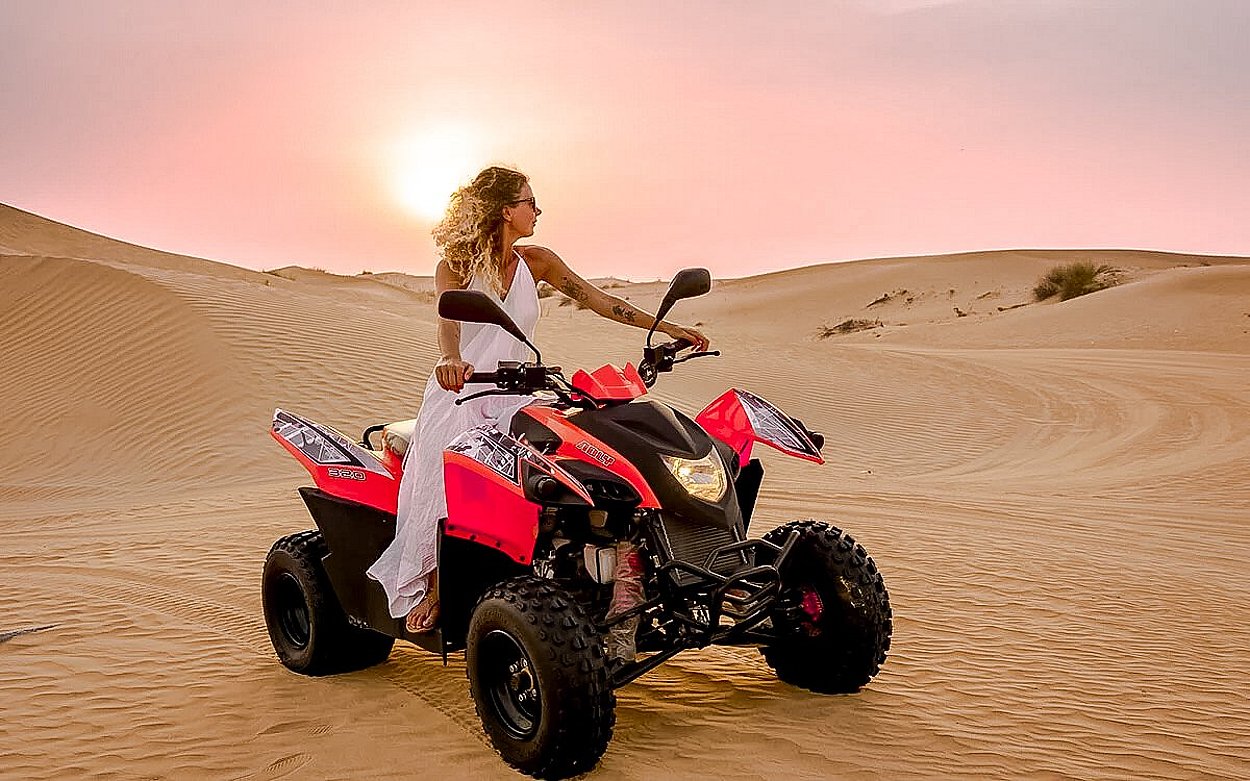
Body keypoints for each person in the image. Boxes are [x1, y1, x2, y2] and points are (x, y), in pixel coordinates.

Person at [367, 166, 709, 633]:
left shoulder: (538, 261)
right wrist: (450, 359)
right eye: (530, 202)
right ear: (505, 210)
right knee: (448, 467)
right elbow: (448, 321)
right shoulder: (456, 264)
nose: (538, 210)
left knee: (575, 456)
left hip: (520, 392)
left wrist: (665, 327)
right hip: (464, 391)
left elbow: (598, 299)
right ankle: (434, 582)